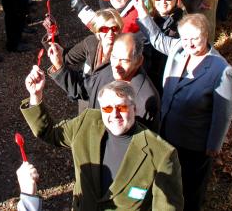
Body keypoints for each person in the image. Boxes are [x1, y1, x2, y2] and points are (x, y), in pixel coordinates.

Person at [21, 76, 183, 210]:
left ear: (134, 108)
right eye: (107, 108)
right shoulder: (86, 123)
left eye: (122, 107)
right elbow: (49, 132)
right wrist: (36, 96)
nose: (115, 114)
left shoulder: (161, 154)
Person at [134, 2, 232, 211]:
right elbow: (157, 39)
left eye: (195, 38)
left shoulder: (221, 69)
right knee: (168, 178)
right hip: (168, 131)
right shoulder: (179, 47)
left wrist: (214, 145)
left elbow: (223, 113)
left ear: (206, 35)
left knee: (190, 187)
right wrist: (143, 13)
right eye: (185, 37)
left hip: (194, 142)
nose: (189, 43)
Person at [48, 30, 160, 131]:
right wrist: (59, 66)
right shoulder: (107, 69)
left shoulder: (146, 99)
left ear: (139, 61)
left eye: (124, 60)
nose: (116, 65)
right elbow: (82, 89)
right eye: (114, 57)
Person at [144, 0, 185, 95]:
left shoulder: (181, 22)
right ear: (153, 0)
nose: (163, 1)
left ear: (175, 0)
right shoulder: (151, 19)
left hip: (167, 75)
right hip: (150, 72)